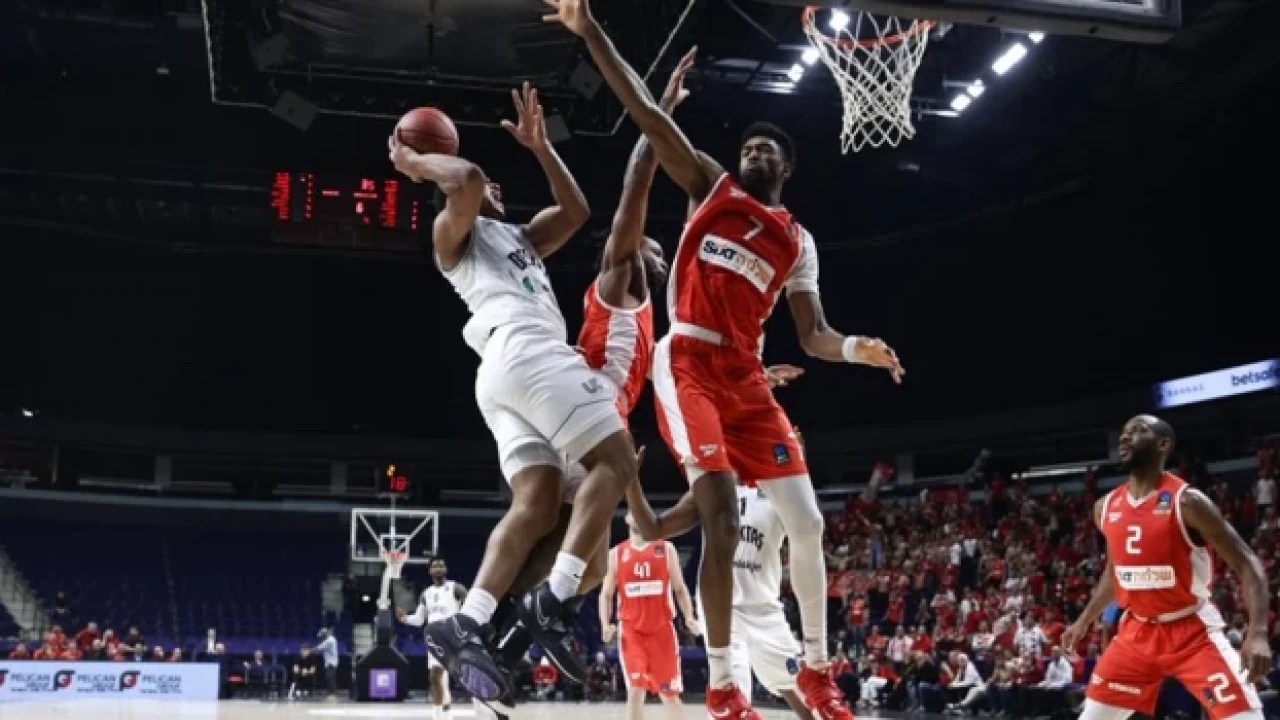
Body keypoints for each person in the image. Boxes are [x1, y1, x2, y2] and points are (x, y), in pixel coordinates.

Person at [542, 4, 904, 718]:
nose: (756, 152)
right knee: (720, 520)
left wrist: (854, 349)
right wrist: (592, 34)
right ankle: (721, 683)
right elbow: (647, 116)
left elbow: (813, 334)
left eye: (769, 149)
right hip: (688, 365)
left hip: (745, 377)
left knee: (808, 522)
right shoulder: (713, 187)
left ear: (786, 169)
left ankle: (817, 670)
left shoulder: (797, 242)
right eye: (749, 146)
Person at [389, 82, 640, 701]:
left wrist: (540, 147)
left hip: (504, 375)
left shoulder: (522, 241)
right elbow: (470, 177)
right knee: (617, 462)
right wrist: (414, 161)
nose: (492, 188)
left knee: (539, 505)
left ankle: (470, 621)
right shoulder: (455, 236)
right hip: (525, 351)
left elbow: (576, 211)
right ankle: (553, 602)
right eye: (481, 192)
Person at [1060, 414, 1271, 720]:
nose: (1125, 437)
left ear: (1163, 444)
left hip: (1192, 630)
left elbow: (1248, 564)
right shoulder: (1105, 507)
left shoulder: (1188, 502)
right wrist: (1083, 621)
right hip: (1136, 633)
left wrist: (1258, 632)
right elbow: (1115, 573)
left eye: (1138, 430)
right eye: (1124, 432)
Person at [625, 419, 815, 720]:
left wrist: (795, 460)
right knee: (732, 701)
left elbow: (807, 515)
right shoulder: (710, 488)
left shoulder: (775, 489)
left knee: (803, 695)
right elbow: (653, 529)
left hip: (764, 608)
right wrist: (630, 481)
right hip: (721, 612)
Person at [599, 514, 700, 720]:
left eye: (642, 511)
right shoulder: (616, 554)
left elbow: (680, 589)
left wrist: (689, 616)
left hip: (662, 632)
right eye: (634, 511)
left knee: (669, 695)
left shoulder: (666, 549)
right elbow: (606, 594)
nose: (638, 515)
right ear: (627, 520)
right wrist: (605, 624)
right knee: (636, 690)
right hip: (632, 632)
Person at [397, 557, 467, 718]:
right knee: (436, 676)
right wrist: (405, 618)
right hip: (434, 638)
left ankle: (442, 710)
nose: (438, 568)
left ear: (446, 570)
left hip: (451, 636)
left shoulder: (455, 588)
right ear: (430, 571)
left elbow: (470, 604)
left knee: (441, 674)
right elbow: (419, 619)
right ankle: (442, 710)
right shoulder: (426, 594)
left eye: (441, 565)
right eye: (435, 566)